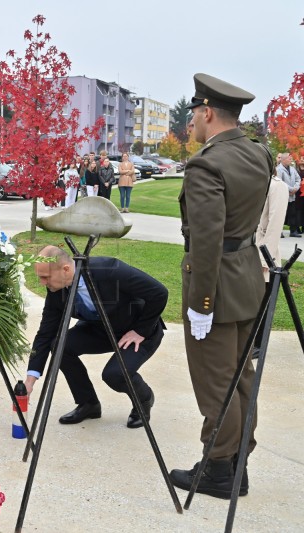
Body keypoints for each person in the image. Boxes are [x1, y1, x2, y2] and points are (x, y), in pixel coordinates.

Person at [170, 73, 274, 499]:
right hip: (248, 280)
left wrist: (202, 301)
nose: (191, 122)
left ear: (208, 112)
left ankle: (216, 468)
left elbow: (207, 240)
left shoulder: (206, 163)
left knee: (217, 385)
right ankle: (237, 465)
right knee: (241, 379)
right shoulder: (259, 155)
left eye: (194, 114)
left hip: (216, 285)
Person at [26, 246, 166, 428]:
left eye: (45, 277)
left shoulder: (109, 270)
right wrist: (30, 380)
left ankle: (144, 399)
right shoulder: (56, 291)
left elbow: (159, 292)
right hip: (101, 330)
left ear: (66, 269)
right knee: (60, 346)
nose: (42, 282)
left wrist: (141, 330)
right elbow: (46, 333)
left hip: (138, 332)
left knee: (114, 375)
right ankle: (89, 404)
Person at [252, 167, 288, 358]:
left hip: (264, 254)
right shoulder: (252, 182)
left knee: (262, 302)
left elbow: (275, 224)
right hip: (246, 253)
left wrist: (265, 257)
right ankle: (250, 341)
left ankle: (259, 344)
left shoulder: (277, 186)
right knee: (250, 301)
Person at [277, 153, 301, 236]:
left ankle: (293, 231)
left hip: (292, 195)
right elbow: (279, 181)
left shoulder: (292, 169)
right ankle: (279, 232)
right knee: (281, 214)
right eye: (289, 159)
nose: (291, 160)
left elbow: (298, 179)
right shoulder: (278, 169)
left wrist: (296, 188)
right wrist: (291, 189)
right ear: (283, 160)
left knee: (292, 213)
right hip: (283, 195)